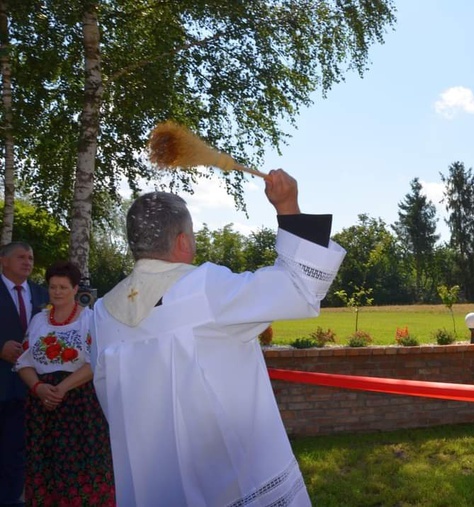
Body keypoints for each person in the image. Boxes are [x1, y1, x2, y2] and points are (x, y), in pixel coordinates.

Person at [91, 169, 346, 506]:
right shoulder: (204, 290)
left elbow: (113, 399)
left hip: (154, 483)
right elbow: (300, 288)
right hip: (227, 479)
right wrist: (288, 206)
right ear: (183, 240)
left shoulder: (101, 314)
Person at [14, 261, 115, 506]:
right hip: (43, 406)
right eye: (52, 287)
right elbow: (23, 361)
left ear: (75, 289)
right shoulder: (38, 320)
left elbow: (95, 361)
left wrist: (61, 388)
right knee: (46, 465)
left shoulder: (89, 319)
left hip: (79, 405)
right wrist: (38, 388)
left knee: (82, 467)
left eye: (63, 287)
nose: (57, 292)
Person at [0, 242, 48, 506]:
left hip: (27, 387)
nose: (28, 262)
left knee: (15, 451)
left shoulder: (42, 295)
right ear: (3, 260)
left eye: (30, 257)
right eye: (21, 257)